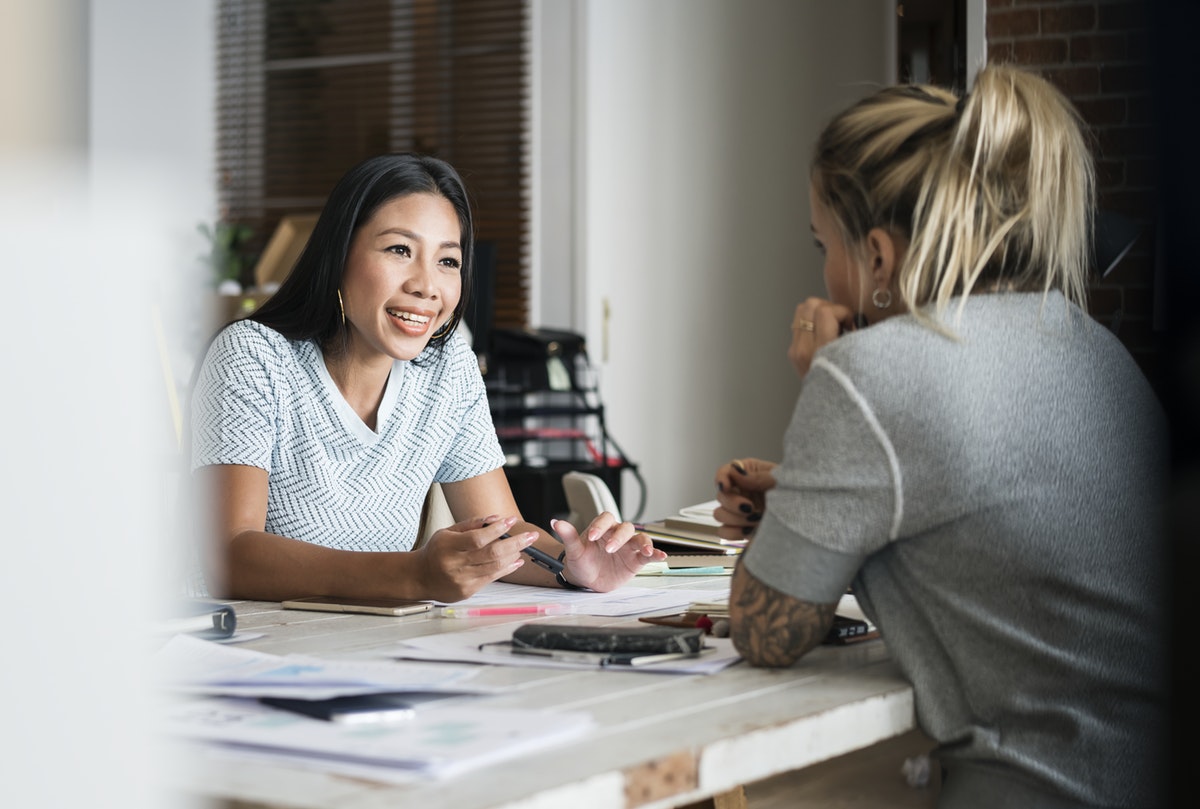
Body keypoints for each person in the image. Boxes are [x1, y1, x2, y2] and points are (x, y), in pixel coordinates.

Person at [712, 65, 1166, 809]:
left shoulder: (869, 370)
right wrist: (808, 503)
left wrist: (828, 372)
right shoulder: (1090, 343)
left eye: (822, 243)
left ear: (880, 258)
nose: (823, 272)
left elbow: (766, 633)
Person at [191, 153, 664, 603]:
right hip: (251, 653)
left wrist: (571, 566)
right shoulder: (254, 355)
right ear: (338, 255)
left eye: (447, 261)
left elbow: (499, 533)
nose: (426, 286)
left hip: (377, 645)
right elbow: (229, 558)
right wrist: (415, 574)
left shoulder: (447, 368)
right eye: (400, 249)